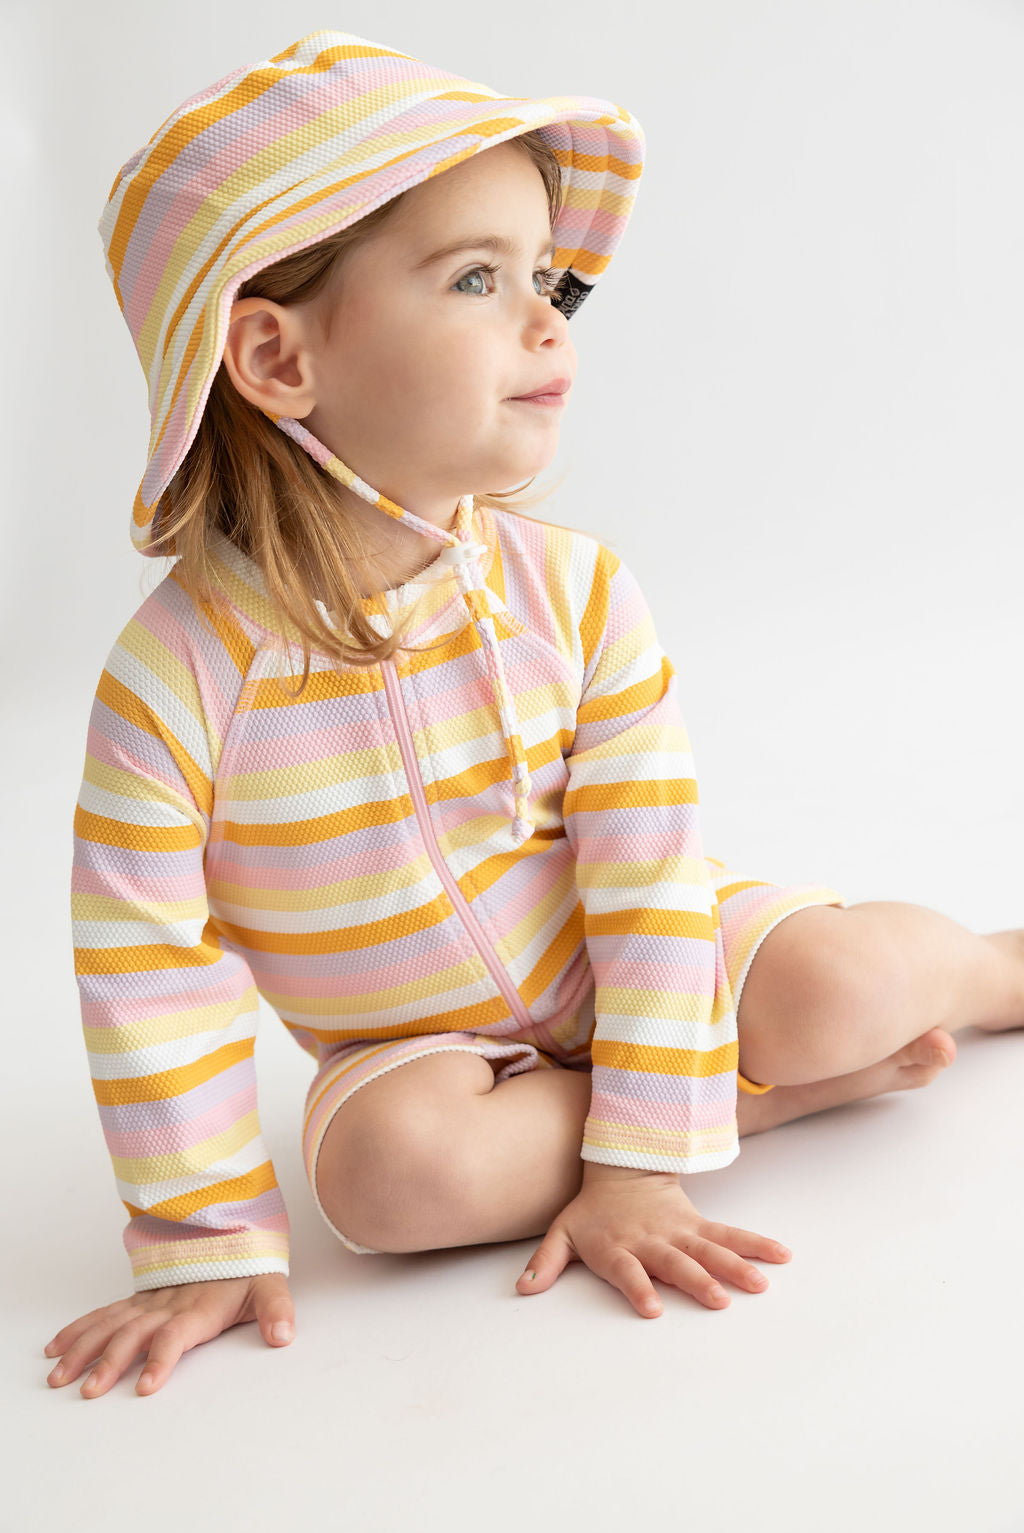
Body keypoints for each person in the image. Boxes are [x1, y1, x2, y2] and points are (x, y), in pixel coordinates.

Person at [46, 28, 1024, 1401]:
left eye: (548, 278)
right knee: (389, 1184)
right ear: (276, 357)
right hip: (423, 1054)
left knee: (841, 986)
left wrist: (635, 1167)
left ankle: (992, 972)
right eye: (476, 277)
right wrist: (202, 1240)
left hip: (637, 962)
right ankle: (769, 1101)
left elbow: (646, 875)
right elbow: (147, 970)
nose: (551, 319)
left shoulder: (575, 594)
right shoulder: (174, 682)